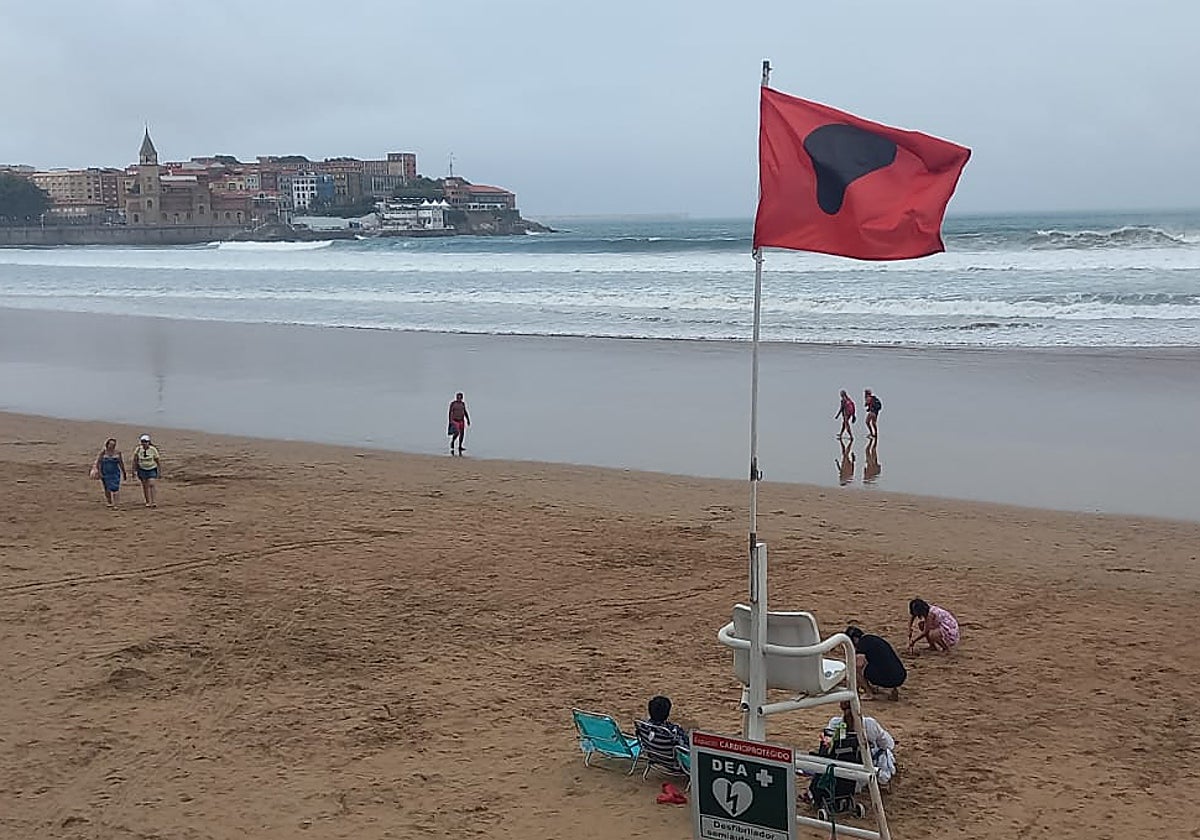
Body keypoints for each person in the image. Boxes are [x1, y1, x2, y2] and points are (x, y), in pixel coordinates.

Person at [825, 699, 897, 786]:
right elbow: (887, 745)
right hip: (865, 768)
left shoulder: (834, 723)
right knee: (884, 751)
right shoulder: (870, 724)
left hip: (840, 768)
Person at [845, 626, 907, 700]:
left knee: (855, 668)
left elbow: (858, 665)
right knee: (883, 662)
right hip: (900, 676)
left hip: (889, 679)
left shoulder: (862, 644)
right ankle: (893, 690)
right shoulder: (873, 639)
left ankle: (868, 693)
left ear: (854, 639)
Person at [93, 438, 128, 508]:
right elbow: (99, 462)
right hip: (105, 472)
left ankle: (116, 504)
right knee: (107, 488)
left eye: (113, 444)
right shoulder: (103, 452)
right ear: (107, 444)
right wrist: (99, 472)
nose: (111, 446)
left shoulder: (118, 453)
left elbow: (121, 463)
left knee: (115, 488)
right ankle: (109, 502)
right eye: (110, 444)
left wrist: (124, 472)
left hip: (115, 472)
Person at [131, 433, 161, 508]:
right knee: (145, 486)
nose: (144, 443)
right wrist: (134, 470)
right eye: (143, 441)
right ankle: (147, 501)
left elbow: (157, 460)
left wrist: (159, 470)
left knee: (151, 484)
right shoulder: (138, 449)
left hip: (151, 468)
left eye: (146, 441)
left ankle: (153, 501)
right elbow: (135, 460)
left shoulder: (153, 450)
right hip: (142, 469)